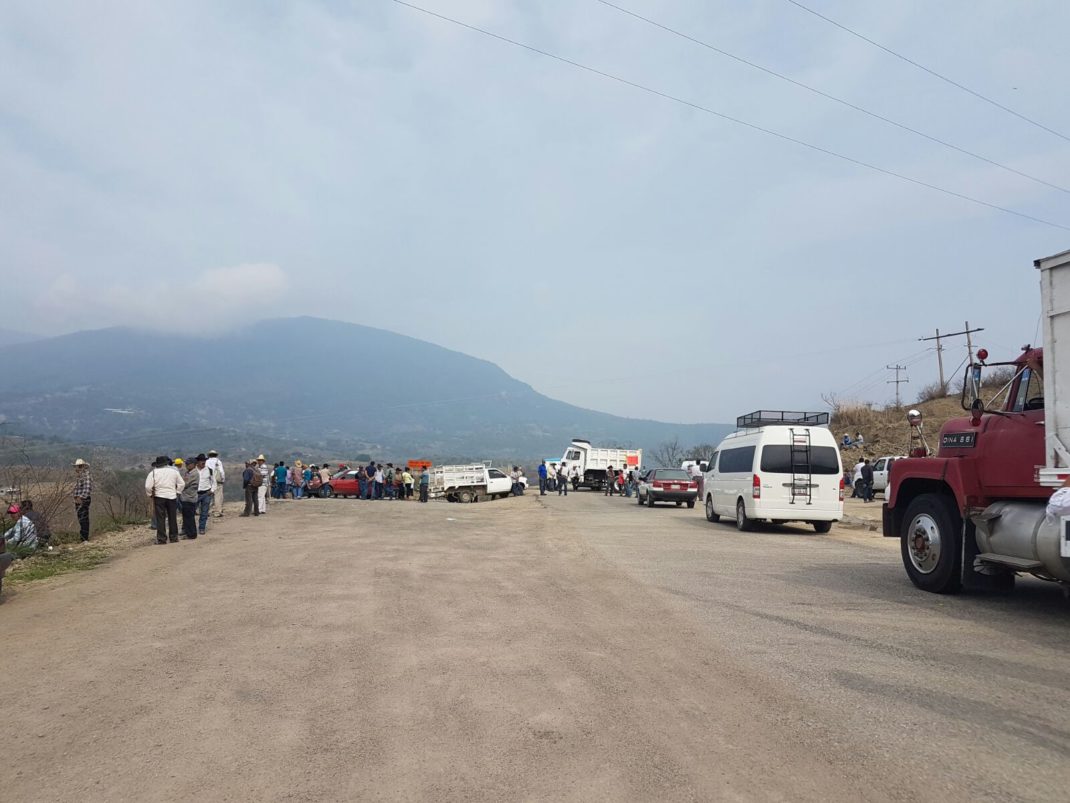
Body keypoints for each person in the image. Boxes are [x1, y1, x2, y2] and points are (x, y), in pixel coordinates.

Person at [145, 456, 184, 544]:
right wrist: (177, 492)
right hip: (172, 496)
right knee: (172, 517)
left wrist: (150, 494)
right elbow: (182, 484)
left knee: (160, 518)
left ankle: (162, 539)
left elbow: (147, 486)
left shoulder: (153, 473)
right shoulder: (174, 472)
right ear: (166, 463)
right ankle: (174, 537)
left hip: (159, 497)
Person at [178, 458, 199, 539]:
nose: (187, 465)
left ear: (194, 464)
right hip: (185, 497)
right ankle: (188, 533)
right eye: (186, 464)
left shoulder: (194, 474)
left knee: (189, 518)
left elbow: (185, 483)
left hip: (190, 497)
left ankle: (191, 534)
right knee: (186, 517)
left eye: (189, 464)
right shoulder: (188, 472)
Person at [194, 454, 215, 535]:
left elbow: (214, 481)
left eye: (204, 461)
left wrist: (212, 490)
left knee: (204, 512)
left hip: (206, 493)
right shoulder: (194, 470)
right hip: (195, 493)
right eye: (201, 461)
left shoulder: (209, 470)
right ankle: (189, 528)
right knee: (191, 511)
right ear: (198, 462)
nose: (203, 462)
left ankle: (202, 528)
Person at [73, 458, 92, 542]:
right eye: (77, 467)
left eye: (80, 466)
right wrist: (75, 497)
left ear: (83, 467)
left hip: (83, 500)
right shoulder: (80, 476)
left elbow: (87, 488)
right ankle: (83, 537)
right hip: (79, 499)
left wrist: (80, 498)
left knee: (83, 519)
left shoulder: (86, 476)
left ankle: (84, 538)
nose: (78, 468)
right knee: (81, 519)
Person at [206, 450, 226, 517]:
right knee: (218, 497)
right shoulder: (218, 462)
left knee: (209, 497)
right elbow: (221, 472)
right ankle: (217, 512)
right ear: (216, 455)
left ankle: (207, 511)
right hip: (217, 481)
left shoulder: (206, 462)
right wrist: (223, 479)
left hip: (209, 481)